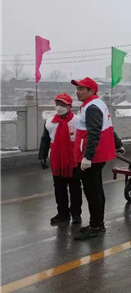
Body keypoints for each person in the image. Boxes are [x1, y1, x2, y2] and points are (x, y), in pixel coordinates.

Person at [71, 77, 116, 240]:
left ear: (91, 91)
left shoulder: (92, 107)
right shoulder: (94, 104)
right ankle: (96, 223)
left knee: (92, 192)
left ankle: (96, 226)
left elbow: (95, 132)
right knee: (96, 190)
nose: (77, 91)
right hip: (95, 155)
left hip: (92, 157)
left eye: (81, 88)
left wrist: (87, 157)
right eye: (77, 88)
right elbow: (108, 126)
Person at [38, 93, 82, 225]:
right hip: (57, 160)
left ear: (69, 106)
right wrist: (42, 156)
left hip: (73, 160)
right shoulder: (50, 122)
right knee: (59, 188)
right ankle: (62, 213)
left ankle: (76, 214)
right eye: (57, 104)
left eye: (62, 104)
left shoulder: (78, 121)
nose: (59, 107)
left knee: (75, 188)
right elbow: (45, 140)